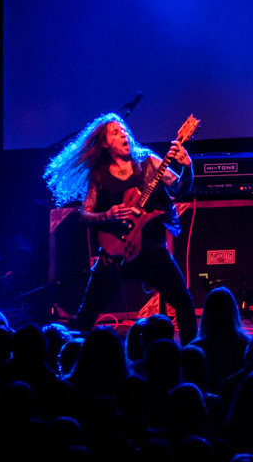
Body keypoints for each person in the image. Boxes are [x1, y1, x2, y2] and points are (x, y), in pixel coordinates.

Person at [43, 113, 198, 344]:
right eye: (115, 132)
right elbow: (85, 214)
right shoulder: (99, 173)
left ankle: (191, 358)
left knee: (184, 303)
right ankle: (72, 365)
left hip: (152, 250)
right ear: (105, 143)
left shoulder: (148, 162)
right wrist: (108, 215)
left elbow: (181, 189)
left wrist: (188, 167)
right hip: (115, 253)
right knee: (86, 315)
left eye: (123, 129)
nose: (123, 133)